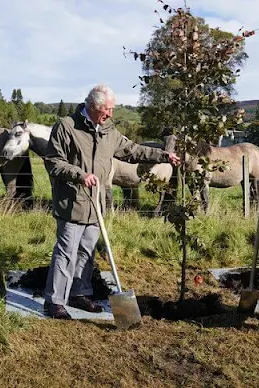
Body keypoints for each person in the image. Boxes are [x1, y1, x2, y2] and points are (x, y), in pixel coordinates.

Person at [43, 84, 180, 319]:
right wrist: (80, 175)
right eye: (107, 109)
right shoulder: (67, 127)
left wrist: (163, 155)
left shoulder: (108, 130)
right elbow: (53, 162)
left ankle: (79, 294)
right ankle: (54, 302)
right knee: (66, 251)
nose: (110, 114)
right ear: (93, 107)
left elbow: (132, 150)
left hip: (96, 204)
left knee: (87, 251)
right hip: (73, 202)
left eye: (112, 109)